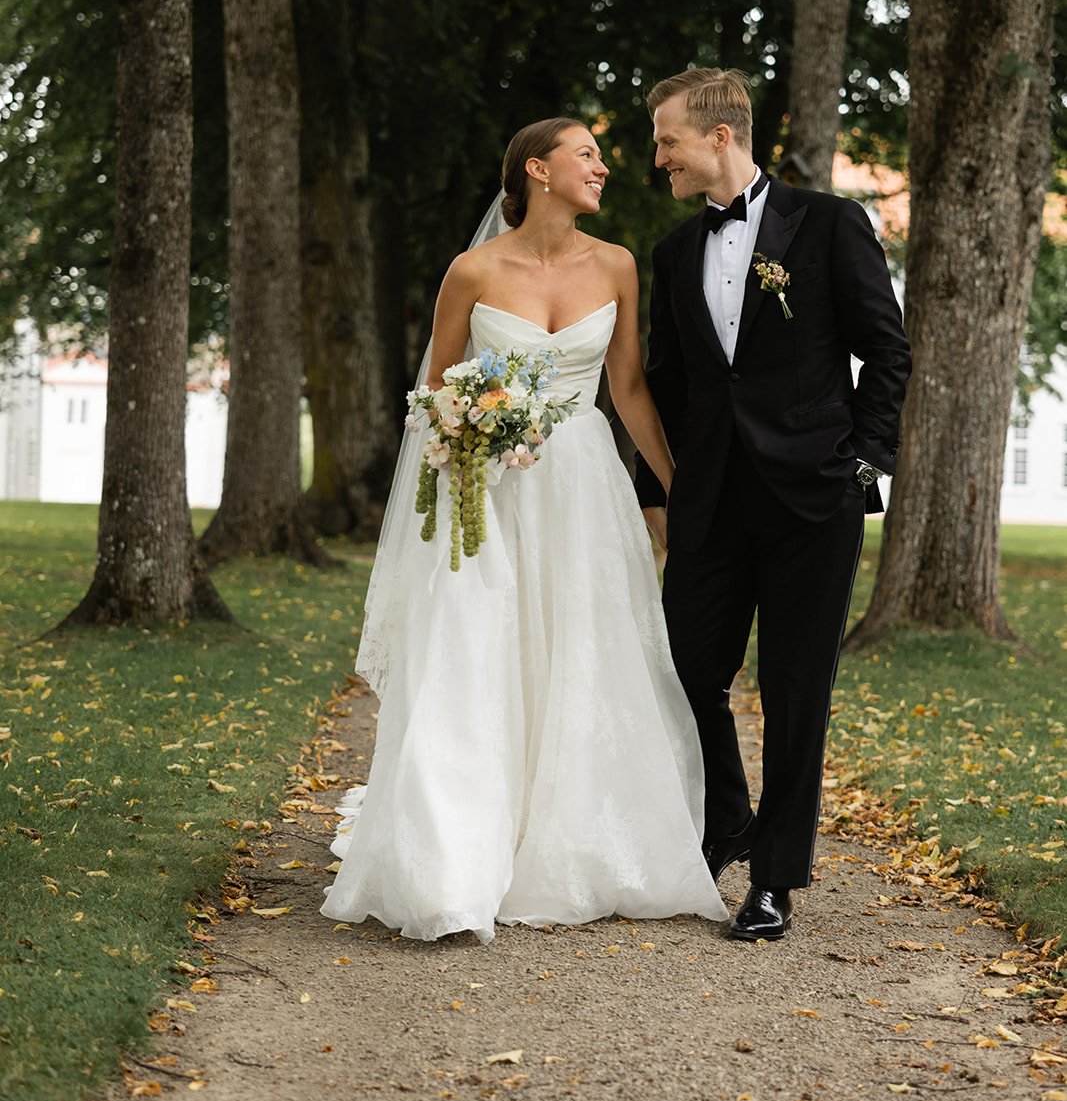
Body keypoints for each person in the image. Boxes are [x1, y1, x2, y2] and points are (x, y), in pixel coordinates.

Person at [322, 117, 727, 943]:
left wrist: (678, 490)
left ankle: (574, 845)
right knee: (474, 654)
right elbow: (432, 391)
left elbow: (630, 392)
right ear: (537, 170)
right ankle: (451, 859)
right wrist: (463, 428)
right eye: (588, 154)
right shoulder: (472, 271)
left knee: (584, 651)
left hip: (581, 485)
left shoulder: (615, 265)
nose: (605, 168)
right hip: (486, 492)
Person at [635, 68, 911, 942]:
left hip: (812, 501)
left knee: (796, 691)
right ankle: (726, 823)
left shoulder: (827, 224)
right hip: (708, 501)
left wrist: (864, 467)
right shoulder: (675, 253)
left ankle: (773, 880)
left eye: (666, 140)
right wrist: (656, 496)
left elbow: (885, 351)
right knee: (685, 671)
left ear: (719, 137)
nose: (657, 158)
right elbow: (669, 383)